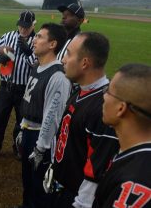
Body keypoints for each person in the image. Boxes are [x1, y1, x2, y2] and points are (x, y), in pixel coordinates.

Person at [45, 32, 119, 208]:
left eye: (69, 54)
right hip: (61, 187)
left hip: (75, 196)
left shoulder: (103, 108)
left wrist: (81, 203)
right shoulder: (81, 91)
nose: (63, 59)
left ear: (85, 63)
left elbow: (97, 169)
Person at [17, 23, 71, 208]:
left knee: (40, 186)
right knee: (27, 180)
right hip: (28, 131)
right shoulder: (36, 66)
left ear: (52, 44)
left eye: (39, 37)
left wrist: (41, 147)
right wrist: (22, 129)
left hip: (42, 138)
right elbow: (29, 101)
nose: (34, 40)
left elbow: (52, 116)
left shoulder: (58, 76)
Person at [93, 63, 151, 208]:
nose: (104, 96)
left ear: (121, 108)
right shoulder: (135, 156)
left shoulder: (134, 179)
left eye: (108, 91)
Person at [0, 10, 37, 160]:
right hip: (6, 87)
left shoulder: (37, 41)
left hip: (26, 89)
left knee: (22, 122)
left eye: (27, 26)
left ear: (33, 25)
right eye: (21, 26)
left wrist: (28, 52)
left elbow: (38, 65)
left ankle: (19, 148)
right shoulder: (8, 37)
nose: (23, 29)